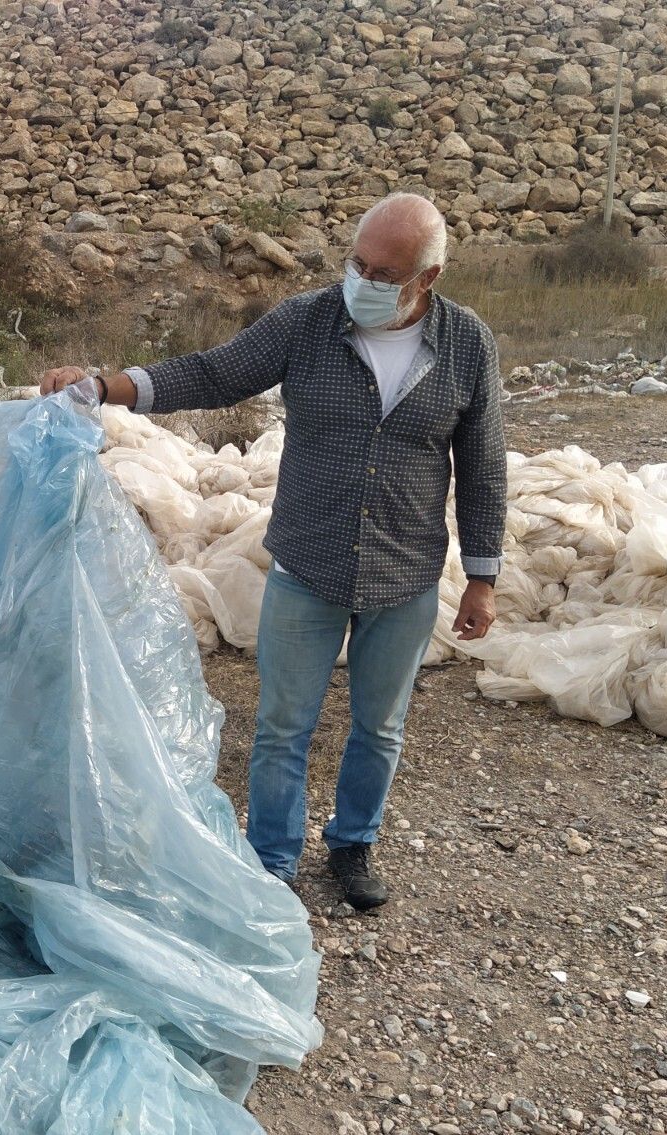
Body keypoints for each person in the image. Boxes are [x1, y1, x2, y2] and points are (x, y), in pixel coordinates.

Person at [39, 192, 507, 912]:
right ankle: (274, 862)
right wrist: (104, 386)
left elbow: (482, 464)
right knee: (283, 727)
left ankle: (353, 848)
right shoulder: (308, 322)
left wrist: (481, 578)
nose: (364, 281)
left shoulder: (467, 345)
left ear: (428, 278)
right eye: (357, 263)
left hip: (405, 571)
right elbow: (213, 372)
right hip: (306, 565)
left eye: (385, 273)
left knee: (381, 727)